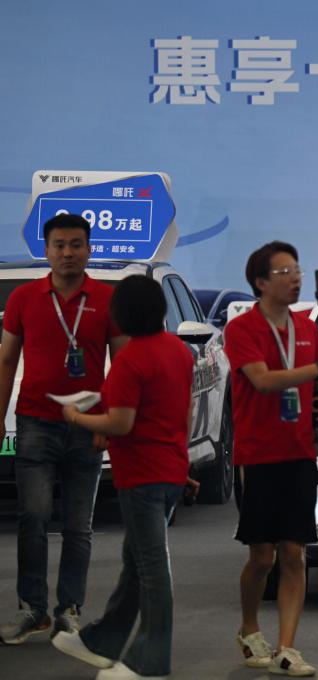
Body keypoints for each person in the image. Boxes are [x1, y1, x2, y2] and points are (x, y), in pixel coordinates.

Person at [52, 275, 194, 680]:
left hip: (142, 474)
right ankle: (103, 641)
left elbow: (120, 423)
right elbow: (182, 413)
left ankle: (149, 662)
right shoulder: (178, 351)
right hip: (169, 468)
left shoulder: (132, 359)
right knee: (136, 564)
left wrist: (75, 416)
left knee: (150, 569)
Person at [0, 213, 126, 645]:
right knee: (32, 517)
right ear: (46, 250)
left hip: (88, 425)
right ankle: (31, 609)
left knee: (78, 525)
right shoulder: (24, 298)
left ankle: (69, 610)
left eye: (76, 244)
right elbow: (7, 360)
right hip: (35, 421)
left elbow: (121, 365)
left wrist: (109, 419)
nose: (68, 253)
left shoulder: (107, 299)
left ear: (89, 250)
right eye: (59, 245)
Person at [225, 241, 318, 677]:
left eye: (297, 270)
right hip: (258, 455)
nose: (295, 278)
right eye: (284, 272)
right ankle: (249, 628)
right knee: (263, 556)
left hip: (299, 453)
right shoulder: (241, 329)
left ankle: (287, 648)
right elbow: (263, 381)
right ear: (260, 282)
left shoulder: (307, 327)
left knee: (294, 551)